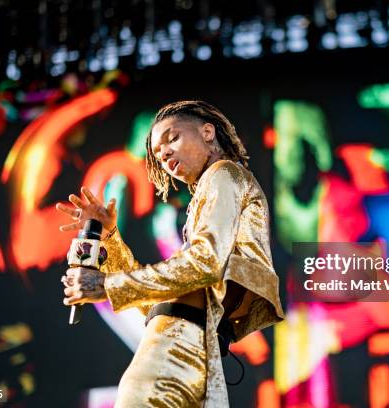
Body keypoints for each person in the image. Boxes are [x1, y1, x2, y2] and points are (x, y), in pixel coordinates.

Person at [56, 100, 284, 407]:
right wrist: (110, 238)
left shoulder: (224, 174)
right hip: (190, 355)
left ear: (207, 132)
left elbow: (205, 263)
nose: (163, 155)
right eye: (158, 153)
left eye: (171, 138)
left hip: (170, 360)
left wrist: (105, 285)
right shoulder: (208, 200)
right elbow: (153, 302)